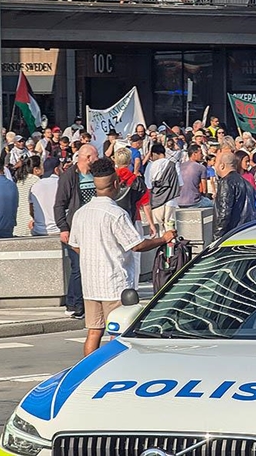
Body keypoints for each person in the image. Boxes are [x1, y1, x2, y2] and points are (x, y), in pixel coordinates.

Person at [69, 159, 175, 356]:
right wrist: (163, 238)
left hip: (91, 283)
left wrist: (94, 254)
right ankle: (113, 366)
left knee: (94, 331)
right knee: (117, 333)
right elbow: (137, 245)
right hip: (114, 282)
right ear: (116, 183)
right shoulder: (116, 214)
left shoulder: (80, 213)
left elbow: (75, 245)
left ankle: (88, 370)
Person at [55, 144, 99, 318]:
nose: (98, 158)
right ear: (87, 157)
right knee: (78, 267)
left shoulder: (95, 174)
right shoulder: (69, 177)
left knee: (89, 266)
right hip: (75, 228)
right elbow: (59, 203)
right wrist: (63, 228)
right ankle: (74, 304)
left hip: (93, 226)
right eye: (95, 156)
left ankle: (84, 301)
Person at [213, 152, 256, 239]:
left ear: (222, 165)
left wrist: (217, 239)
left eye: (216, 162)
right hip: (247, 232)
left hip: (233, 235)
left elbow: (224, 213)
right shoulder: (246, 183)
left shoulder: (227, 182)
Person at [145, 143, 182, 235]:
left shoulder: (150, 166)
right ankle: (171, 247)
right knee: (170, 226)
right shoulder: (174, 165)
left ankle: (161, 246)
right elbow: (180, 184)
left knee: (159, 228)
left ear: (154, 153)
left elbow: (148, 186)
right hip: (171, 200)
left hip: (156, 201)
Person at [29, 157, 62, 236]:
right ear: (56, 169)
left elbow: (31, 210)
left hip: (39, 230)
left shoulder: (35, 186)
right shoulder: (61, 183)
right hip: (59, 229)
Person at [13, 156, 42, 237]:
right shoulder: (36, 181)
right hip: (31, 222)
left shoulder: (20, 180)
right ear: (36, 169)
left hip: (19, 222)